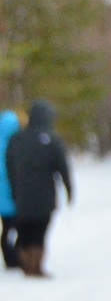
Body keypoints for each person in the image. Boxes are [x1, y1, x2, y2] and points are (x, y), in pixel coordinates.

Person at [4, 99, 73, 279]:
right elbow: (63, 167)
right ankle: (35, 265)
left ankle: (26, 262)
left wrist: (14, 189)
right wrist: (69, 189)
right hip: (45, 196)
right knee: (40, 231)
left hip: (22, 195)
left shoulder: (16, 139)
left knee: (24, 230)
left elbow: (9, 166)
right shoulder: (52, 139)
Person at [0, 107, 19, 272]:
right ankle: (14, 258)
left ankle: (9, 257)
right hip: (14, 195)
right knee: (15, 228)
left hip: (2, 197)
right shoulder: (17, 145)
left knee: (6, 229)